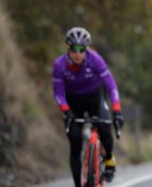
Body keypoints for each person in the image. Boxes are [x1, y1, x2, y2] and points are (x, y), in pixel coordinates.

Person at [52, 27, 124, 186]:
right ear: (68, 48)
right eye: (74, 49)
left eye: (81, 49)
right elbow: (58, 93)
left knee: (105, 129)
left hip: (94, 98)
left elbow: (111, 86)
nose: (78, 53)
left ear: (86, 49)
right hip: (73, 103)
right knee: (75, 143)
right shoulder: (59, 65)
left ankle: (109, 159)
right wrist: (66, 111)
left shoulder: (95, 60)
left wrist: (117, 110)